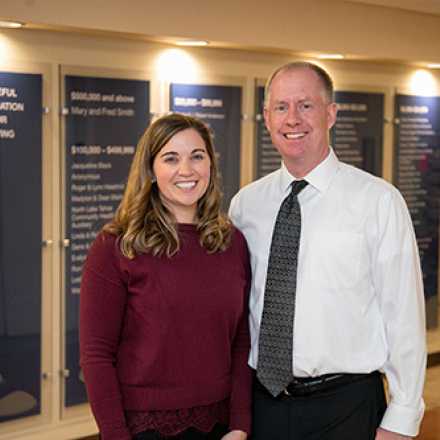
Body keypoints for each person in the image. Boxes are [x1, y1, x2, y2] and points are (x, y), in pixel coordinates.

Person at [229, 62, 426, 440]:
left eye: (306, 105)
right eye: (281, 107)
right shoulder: (245, 206)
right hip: (264, 404)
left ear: (331, 113)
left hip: (346, 408)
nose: (293, 119)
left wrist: (401, 418)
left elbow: (403, 316)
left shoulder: (378, 202)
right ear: (266, 118)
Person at [80, 113, 252, 440]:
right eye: (170, 158)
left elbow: (242, 340)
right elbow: (96, 354)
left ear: (210, 166)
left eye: (196, 157)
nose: (186, 170)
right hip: (143, 428)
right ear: (151, 170)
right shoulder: (117, 245)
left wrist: (240, 424)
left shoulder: (231, 242)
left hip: (220, 426)